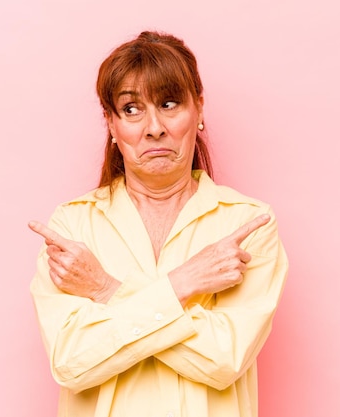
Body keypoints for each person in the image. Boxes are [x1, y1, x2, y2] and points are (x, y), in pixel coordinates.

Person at [28, 30, 288, 417]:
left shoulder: (248, 224)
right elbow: (72, 363)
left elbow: (223, 360)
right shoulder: (73, 225)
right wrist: (184, 284)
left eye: (169, 103)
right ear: (111, 125)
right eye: (131, 109)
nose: (154, 127)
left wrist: (105, 289)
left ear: (198, 110)